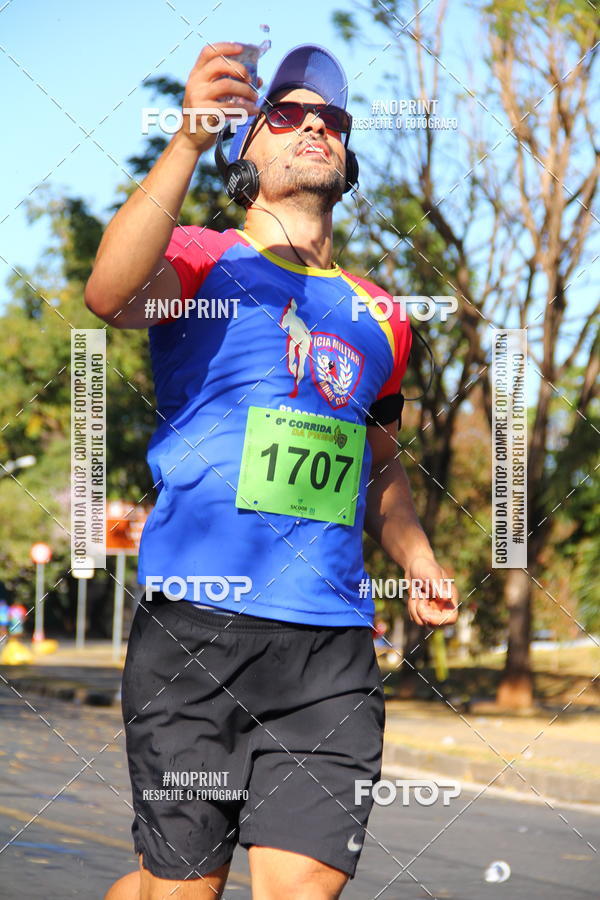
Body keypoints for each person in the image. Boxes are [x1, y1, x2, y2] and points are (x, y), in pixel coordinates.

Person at [85, 40, 459, 900]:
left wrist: (418, 558)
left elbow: (379, 468)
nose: (313, 126)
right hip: (197, 633)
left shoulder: (382, 313)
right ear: (244, 152)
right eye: (285, 115)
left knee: (304, 888)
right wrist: (182, 141)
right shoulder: (199, 259)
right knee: (179, 888)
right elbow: (108, 293)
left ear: (348, 153)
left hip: (330, 645)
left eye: (330, 119)